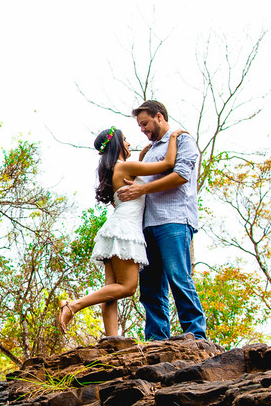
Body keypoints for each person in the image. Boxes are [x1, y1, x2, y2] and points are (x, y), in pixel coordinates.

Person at [58, 124, 186, 336]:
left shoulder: (115, 169)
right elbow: (169, 163)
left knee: (110, 290)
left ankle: (112, 341)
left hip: (114, 228)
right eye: (125, 139)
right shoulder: (126, 168)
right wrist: (173, 136)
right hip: (126, 230)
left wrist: (145, 152)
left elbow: (141, 167)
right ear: (117, 143)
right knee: (127, 287)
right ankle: (73, 305)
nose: (128, 143)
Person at [115, 100, 208, 340]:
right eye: (139, 126)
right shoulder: (150, 151)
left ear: (159, 117)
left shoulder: (183, 140)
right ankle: (156, 339)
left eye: (145, 123)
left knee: (178, 276)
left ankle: (196, 335)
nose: (142, 129)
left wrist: (141, 190)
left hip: (174, 220)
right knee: (150, 287)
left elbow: (180, 176)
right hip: (147, 225)